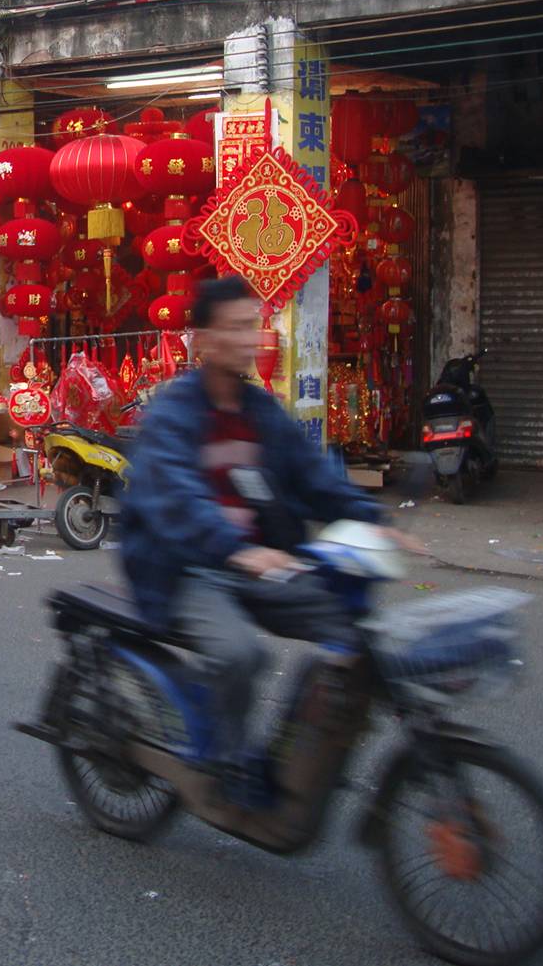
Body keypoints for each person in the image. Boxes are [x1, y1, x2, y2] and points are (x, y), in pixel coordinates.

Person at [120, 275, 416, 802]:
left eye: (252, 326)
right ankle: (223, 762)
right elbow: (177, 499)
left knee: (350, 630)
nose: (248, 338)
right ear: (203, 340)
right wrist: (238, 549)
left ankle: (299, 754)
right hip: (182, 566)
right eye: (233, 328)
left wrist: (374, 519)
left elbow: (313, 476)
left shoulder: (260, 412)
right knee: (241, 654)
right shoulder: (173, 412)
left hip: (254, 564)